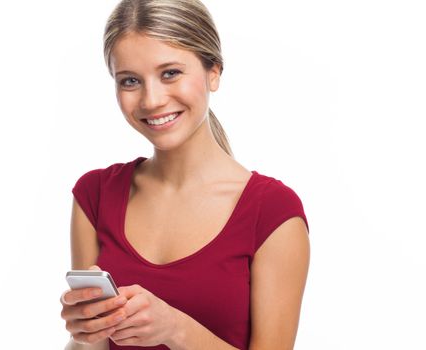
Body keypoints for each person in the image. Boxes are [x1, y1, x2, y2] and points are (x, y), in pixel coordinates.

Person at [60, 0, 310, 349]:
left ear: (214, 72)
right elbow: (93, 347)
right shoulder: (94, 195)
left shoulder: (272, 213)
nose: (152, 100)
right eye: (130, 80)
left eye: (170, 73)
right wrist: (84, 336)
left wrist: (176, 329)